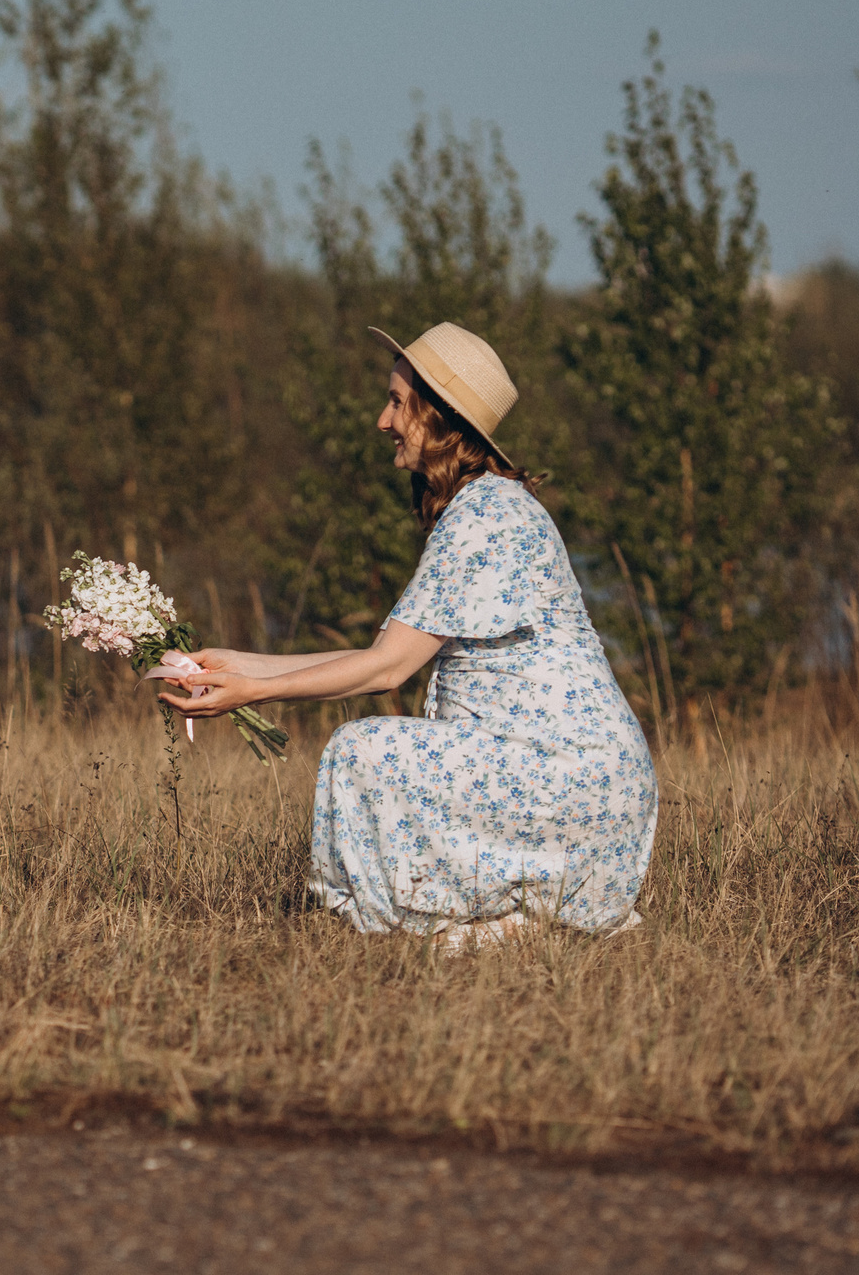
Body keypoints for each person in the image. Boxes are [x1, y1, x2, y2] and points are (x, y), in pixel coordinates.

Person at [161, 323, 657, 950]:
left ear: (441, 416)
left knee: (361, 753)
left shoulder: (483, 516)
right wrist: (240, 666)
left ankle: (376, 935)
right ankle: (501, 929)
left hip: (572, 780)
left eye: (398, 402)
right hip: (579, 780)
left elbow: (385, 672)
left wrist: (250, 694)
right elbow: (384, 656)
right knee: (375, 752)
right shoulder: (489, 506)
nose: (382, 420)